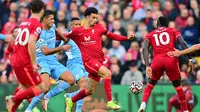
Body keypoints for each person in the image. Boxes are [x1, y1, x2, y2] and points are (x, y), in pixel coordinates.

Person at [63, 7, 136, 111]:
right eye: (93, 17)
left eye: (96, 18)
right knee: (108, 73)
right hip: (88, 61)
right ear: (87, 17)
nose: (95, 20)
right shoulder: (77, 31)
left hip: (99, 61)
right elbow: (63, 36)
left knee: (89, 91)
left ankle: (71, 100)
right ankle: (110, 102)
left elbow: (112, 35)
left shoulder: (99, 27)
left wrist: (126, 38)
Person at [24, 10, 75, 112]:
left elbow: (57, 32)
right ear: (45, 19)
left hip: (53, 61)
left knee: (71, 80)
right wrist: (62, 48)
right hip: (42, 61)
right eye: (51, 18)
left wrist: (65, 39)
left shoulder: (52, 26)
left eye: (53, 18)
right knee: (46, 87)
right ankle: (29, 109)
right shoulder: (39, 32)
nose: (53, 20)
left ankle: (47, 96)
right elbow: (46, 52)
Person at [138, 16, 192, 112]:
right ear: (167, 24)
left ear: (157, 24)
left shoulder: (150, 34)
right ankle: (185, 110)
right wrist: (190, 59)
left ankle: (143, 104)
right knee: (178, 87)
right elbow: (183, 43)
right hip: (171, 58)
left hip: (157, 60)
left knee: (150, 84)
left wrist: (147, 66)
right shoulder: (173, 30)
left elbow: (144, 49)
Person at [5, 0, 46, 111]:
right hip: (23, 61)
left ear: (30, 10)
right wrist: (33, 63)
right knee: (38, 89)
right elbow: (31, 41)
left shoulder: (24, 22)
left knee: (25, 88)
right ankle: (13, 98)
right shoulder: (37, 24)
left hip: (17, 58)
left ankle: (11, 108)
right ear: (42, 11)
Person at [41, 17, 88, 112]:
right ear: (71, 26)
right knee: (82, 84)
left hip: (84, 64)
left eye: (80, 24)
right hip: (74, 64)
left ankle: (68, 96)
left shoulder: (83, 36)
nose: (78, 26)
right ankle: (77, 110)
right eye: (76, 24)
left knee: (87, 89)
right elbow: (59, 45)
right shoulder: (67, 37)